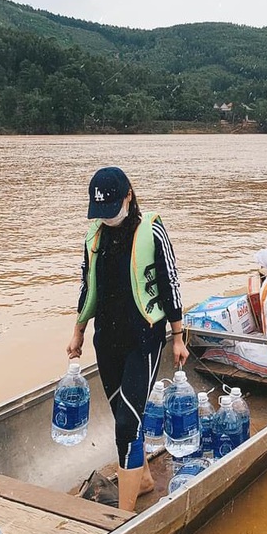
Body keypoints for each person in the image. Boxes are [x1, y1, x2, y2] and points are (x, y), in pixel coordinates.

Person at [66, 166, 189, 512]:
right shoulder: (94, 236)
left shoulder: (151, 229)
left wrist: (178, 336)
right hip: (106, 339)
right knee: (122, 414)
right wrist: (78, 330)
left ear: (128, 196)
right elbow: (87, 286)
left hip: (144, 337)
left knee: (126, 426)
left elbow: (171, 282)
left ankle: (122, 518)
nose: (106, 218)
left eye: (111, 209)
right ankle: (145, 479)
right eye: (100, 213)